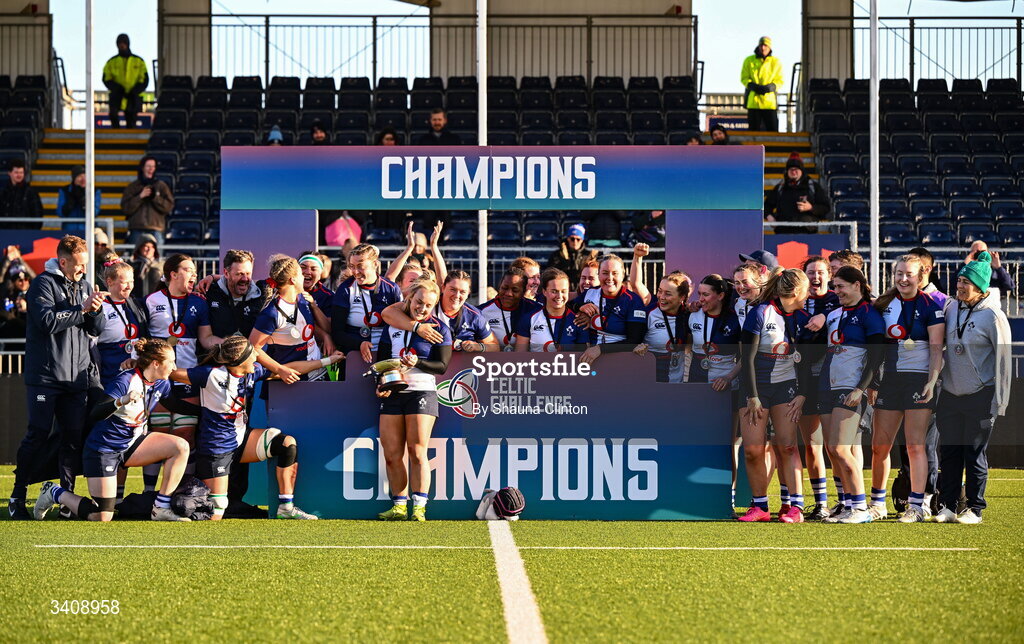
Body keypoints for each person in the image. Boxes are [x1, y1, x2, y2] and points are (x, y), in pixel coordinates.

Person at [172, 335, 340, 519]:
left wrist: (328, 361)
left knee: (287, 444)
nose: (257, 357)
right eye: (253, 354)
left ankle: (286, 507)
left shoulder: (252, 372)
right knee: (218, 509)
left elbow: (287, 370)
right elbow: (171, 372)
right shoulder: (210, 374)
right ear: (240, 359)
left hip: (241, 439)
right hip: (216, 447)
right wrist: (144, 364)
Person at [33, 338, 190, 522]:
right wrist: (121, 401)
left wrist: (207, 411)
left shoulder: (161, 383)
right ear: (156, 363)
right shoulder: (126, 379)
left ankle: (161, 508)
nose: (174, 367)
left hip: (132, 444)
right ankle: (54, 492)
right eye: (171, 361)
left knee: (180, 447)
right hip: (104, 449)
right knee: (102, 516)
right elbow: (97, 413)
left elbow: (173, 404)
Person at [8, 235, 106, 520]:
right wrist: (82, 308)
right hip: (46, 378)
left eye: (86, 265)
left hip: (76, 379)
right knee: (37, 434)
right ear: (62, 262)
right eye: (78, 265)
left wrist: (96, 311)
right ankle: (18, 495)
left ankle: (66, 498)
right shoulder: (42, 283)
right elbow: (48, 322)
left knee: (72, 439)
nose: (83, 271)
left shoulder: (85, 284)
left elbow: (95, 329)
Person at [933, 251, 1012, 524]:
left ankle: (975, 509)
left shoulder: (994, 315)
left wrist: (999, 401)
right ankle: (949, 506)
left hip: (981, 394)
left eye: (966, 282)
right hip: (951, 394)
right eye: (959, 281)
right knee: (950, 452)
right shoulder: (951, 307)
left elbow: (1003, 362)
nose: (960, 286)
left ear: (980, 286)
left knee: (974, 453)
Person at [871, 254, 946, 523]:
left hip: (918, 381)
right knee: (880, 446)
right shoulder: (883, 304)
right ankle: (877, 504)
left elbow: (937, 349)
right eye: (899, 273)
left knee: (915, 445)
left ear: (921, 275)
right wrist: (872, 383)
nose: (903, 279)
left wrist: (931, 380)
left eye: (909, 274)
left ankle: (917, 505)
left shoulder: (931, 305)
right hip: (890, 381)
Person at [376, 278, 453, 521]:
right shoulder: (393, 323)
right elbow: (382, 361)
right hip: (395, 391)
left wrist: (417, 362)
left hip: (422, 392)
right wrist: (381, 383)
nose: (422, 308)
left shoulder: (440, 328)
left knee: (417, 451)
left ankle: (419, 507)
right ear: (409, 298)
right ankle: (399, 506)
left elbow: (441, 366)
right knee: (391, 453)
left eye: (428, 305)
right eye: (419, 302)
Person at [736, 268, 809, 523]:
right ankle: (760, 507)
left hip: (785, 386)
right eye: (807, 290)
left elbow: (808, 362)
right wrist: (753, 395)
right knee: (753, 450)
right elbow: (747, 358)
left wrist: (802, 393)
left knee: (787, 446)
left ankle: (795, 508)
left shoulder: (805, 317)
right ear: (797, 291)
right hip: (755, 389)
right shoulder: (759, 313)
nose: (809, 294)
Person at [819, 266, 886, 524]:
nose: (836, 292)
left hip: (851, 387)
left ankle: (860, 509)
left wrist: (861, 388)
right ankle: (848, 505)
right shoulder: (834, 314)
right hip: (827, 385)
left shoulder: (869, 313)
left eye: (840, 286)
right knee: (831, 450)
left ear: (857, 284)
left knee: (841, 448)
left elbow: (877, 355)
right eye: (834, 287)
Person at [142, 253, 210, 491]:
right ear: (173, 274)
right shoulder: (151, 300)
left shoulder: (199, 302)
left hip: (187, 376)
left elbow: (206, 338)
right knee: (158, 434)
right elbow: (142, 340)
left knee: (186, 435)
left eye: (195, 270)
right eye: (189, 269)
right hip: (159, 378)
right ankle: (149, 494)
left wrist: (233, 346)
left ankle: (181, 493)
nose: (194, 274)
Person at [795, 256, 841, 520]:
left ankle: (845, 499)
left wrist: (825, 315)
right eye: (810, 272)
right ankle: (821, 503)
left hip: (834, 379)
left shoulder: (838, 300)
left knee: (837, 445)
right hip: (804, 379)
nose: (816, 277)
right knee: (812, 444)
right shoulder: (795, 302)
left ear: (830, 275)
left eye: (821, 272)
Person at [249, 255, 334, 383]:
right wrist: (279, 369)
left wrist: (325, 336)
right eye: (301, 273)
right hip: (289, 379)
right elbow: (253, 347)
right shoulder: (271, 313)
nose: (303, 276)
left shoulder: (302, 299)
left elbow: (304, 325)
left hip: (318, 375)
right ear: (293, 279)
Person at [382, 269, 498, 353]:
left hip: (460, 373)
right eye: (452, 289)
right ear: (443, 288)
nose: (457, 295)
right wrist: (417, 327)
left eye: (462, 292)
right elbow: (387, 313)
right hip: (426, 367)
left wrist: (478, 347)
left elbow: (495, 346)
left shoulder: (474, 316)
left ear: (468, 294)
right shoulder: (429, 302)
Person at [332, 243, 404, 364]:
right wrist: (359, 344)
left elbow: (401, 323)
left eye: (360, 266)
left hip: (386, 354)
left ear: (375, 264)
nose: (355, 272)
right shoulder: (345, 290)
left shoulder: (391, 289)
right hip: (355, 355)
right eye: (351, 266)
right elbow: (337, 332)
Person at [574, 254, 648, 365]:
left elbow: (634, 340)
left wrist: (600, 349)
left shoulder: (633, 300)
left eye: (615, 273)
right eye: (605, 273)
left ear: (622, 275)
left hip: (619, 360)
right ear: (598, 275)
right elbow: (569, 306)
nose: (609, 278)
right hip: (589, 359)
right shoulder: (590, 293)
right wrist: (580, 308)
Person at [93, 260, 149, 387]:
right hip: (109, 376)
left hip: (135, 375)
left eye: (132, 281)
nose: (129, 286)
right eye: (124, 282)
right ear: (109, 281)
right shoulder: (99, 306)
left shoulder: (135, 304)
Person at [201, 249, 271, 344]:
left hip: (252, 357)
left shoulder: (263, 294)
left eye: (248, 273)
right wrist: (230, 347)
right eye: (239, 274)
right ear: (226, 273)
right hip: (217, 356)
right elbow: (205, 338)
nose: (245, 279)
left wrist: (213, 276)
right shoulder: (209, 293)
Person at [633, 271, 690, 382]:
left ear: (681, 297)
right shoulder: (649, 313)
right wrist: (636, 348)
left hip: (677, 383)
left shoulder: (688, 315)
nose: (661, 297)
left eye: (668, 294)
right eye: (659, 291)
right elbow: (632, 343)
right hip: (651, 381)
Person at [687, 275, 742, 388]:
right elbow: (687, 348)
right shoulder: (693, 315)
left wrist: (729, 377)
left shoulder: (735, 319)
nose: (701, 299)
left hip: (726, 385)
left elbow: (746, 355)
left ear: (720, 295)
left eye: (706, 294)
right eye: (699, 294)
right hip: (696, 382)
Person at [515, 268, 588, 352]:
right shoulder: (529, 318)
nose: (559, 296)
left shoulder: (578, 321)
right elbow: (520, 356)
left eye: (563, 291)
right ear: (544, 292)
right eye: (554, 291)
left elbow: (582, 358)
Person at [478, 266, 544, 351]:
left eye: (515, 290)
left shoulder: (536, 310)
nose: (508, 293)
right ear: (499, 286)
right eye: (504, 288)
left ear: (523, 291)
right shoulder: (481, 312)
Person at [764, 153, 831, 233]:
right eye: (791, 169)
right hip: (783, 235)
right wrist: (769, 217)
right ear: (787, 171)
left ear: (802, 171)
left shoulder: (813, 187)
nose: (793, 172)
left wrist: (811, 208)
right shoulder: (780, 188)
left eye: (796, 169)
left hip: (807, 235)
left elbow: (826, 207)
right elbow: (766, 206)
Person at [121, 155, 174, 248]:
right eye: (148, 166)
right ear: (142, 168)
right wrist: (140, 196)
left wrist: (155, 197)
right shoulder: (132, 187)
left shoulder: (162, 186)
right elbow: (126, 208)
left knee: (157, 259)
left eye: (153, 166)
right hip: (136, 229)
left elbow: (169, 207)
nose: (151, 169)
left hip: (156, 229)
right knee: (135, 258)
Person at [102, 33, 148, 128]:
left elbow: (144, 79)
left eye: (124, 43)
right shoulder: (111, 62)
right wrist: (118, 89)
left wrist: (134, 91)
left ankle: (131, 137)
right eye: (120, 43)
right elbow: (106, 78)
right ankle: (115, 135)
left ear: (128, 44)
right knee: (113, 114)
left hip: (133, 95)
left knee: (131, 119)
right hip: (117, 95)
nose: (122, 45)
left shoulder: (138, 61)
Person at [740, 36, 783, 132]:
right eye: (761, 45)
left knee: (773, 130)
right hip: (753, 102)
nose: (763, 48)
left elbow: (780, 80)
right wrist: (753, 86)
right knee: (753, 131)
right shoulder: (749, 60)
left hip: (769, 103)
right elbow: (744, 77)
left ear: (770, 47)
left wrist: (770, 87)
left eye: (765, 45)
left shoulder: (776, 62)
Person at [56, 166, 101, 236]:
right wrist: (71, 202)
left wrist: (84, 201)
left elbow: (95, 212)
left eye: (86, 176)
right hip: (69, 231)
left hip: (88, 230)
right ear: (74, 178)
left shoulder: (94, 191)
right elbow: (60, 212)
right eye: (80, 176)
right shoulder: (65, 190)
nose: (83, 179)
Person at [0, 160, 43, 229]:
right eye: (16, 172)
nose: (19, 175)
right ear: (9, 173)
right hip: (5, 233)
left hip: (26, 232)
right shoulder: (3, 193)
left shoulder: (31, 192)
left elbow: (37, 214)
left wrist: (34, 232)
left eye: (21, 172)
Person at [129, 234, 162, 299]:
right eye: (146, 246)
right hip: (136, 302)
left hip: (156, 303)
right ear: (139, 247)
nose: (149, 249)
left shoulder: (162, 265)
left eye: (152, 247)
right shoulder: (130, 265)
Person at [0, 267, 31, 338]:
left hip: (27, 337)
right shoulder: (9, 294)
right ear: (13, 282)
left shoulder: (33, 293)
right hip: (9, 336)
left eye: (26, 279)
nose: (23, 283)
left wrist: (26, 309)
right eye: (20, 280)